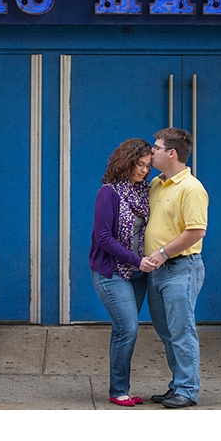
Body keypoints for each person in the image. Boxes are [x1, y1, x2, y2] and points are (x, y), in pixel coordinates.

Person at [143, 128, 209, 408]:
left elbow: (196, 231)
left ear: (172, 153)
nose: (151, 151)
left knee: (182, 330)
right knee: (167, 332)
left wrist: (161, 253)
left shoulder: (191, 188)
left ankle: (187, 390)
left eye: (156, 148)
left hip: (181, 268)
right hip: (157, 271)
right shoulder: (158, 184)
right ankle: (177, 385)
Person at [89, 138, 158, 407]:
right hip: (112, 272)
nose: (143, 170)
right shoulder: (109, 193)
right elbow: (103, 237)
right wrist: (135, 260)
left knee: (124, 329)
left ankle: (122, 389)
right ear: (126, 161)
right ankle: (119, 391)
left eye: (147, 166)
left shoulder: (144, 192)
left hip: (138, 272)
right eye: (139, 164)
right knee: (127, 328)